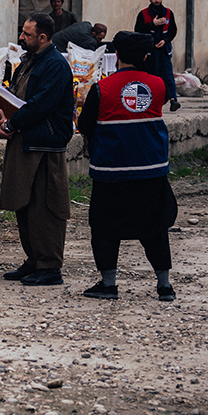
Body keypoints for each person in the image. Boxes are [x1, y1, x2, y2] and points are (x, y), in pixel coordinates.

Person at [75, 32, 178, 302]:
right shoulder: (158, 86)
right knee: (155, 227)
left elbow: (84, 126)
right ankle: (164, 286)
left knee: (105, 227)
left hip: (112, 173)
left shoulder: (101, 88)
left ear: (116, 56)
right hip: (152, 170)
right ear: (145, 56)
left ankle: (108, 284)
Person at [0, 12, 75, 286]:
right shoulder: (27, 62)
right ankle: (34, 260)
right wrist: (2, 118)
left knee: (45, 205)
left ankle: (50, 265)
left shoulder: (55, 65)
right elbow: (17, 96)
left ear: (42, 37)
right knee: (24, 204)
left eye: (26, 34)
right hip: (25, 140)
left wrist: (14, 123)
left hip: (45, 145)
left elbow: (42, 104)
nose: (21, 38)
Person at [134, 0, 180, 111]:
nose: (157, 1)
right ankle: (150, 102)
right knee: (150, 77)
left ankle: (173, 100)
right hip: (149, 53)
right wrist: (152, 25)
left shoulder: (168, 13)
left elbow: (173, 30)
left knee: (168, 75)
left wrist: (165, 41)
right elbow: (137, 31)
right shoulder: (143, 14)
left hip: (164, 51)